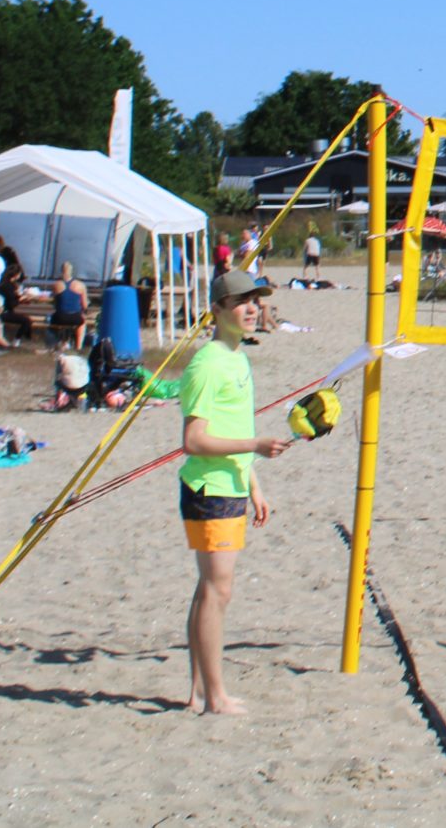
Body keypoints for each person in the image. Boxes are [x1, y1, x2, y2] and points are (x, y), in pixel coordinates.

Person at [178, 270, 294, 713]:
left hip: (230, 485)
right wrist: (256, 446)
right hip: (209, 489)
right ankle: (215, 697)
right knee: (217, 591)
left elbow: (234, 425)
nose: (251, 309)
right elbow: (194, 440)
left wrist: (254, 486)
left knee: (209, 589)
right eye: (241, 301)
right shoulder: (208, 363)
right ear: (218, 310)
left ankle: (197, 692)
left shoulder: (238, 357)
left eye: (255, 301)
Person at [48, 274, 86, 350]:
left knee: (51, 320)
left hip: (60, 317)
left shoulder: (56, 285)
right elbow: (85, 305)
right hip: (75, 317)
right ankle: (78, 346)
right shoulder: (80, 285)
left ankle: (58, 343)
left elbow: (54, 302)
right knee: (82, 323)